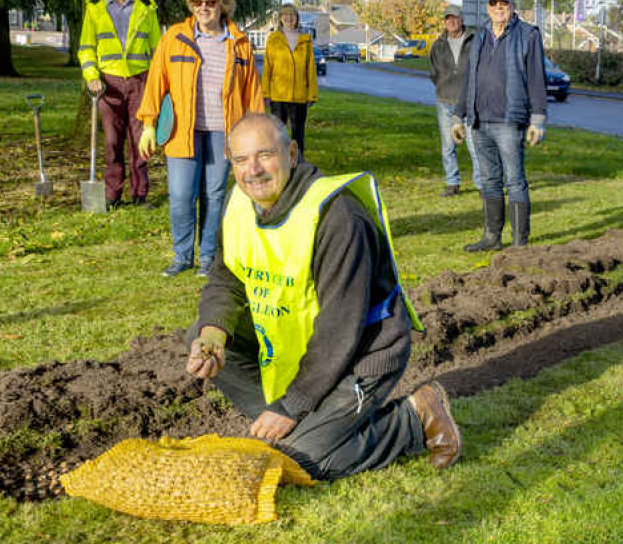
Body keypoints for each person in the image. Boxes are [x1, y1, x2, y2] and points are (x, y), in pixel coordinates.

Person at [184, 113, 461, 480]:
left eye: (265, 155)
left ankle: (414, 418)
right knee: (198, 334)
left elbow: (339, 329)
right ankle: (302, 423)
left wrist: (291, 406)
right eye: (240, 160)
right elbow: (227, 277)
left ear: (292, 153)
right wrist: (213, 335)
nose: (253, 170)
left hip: (361, 354)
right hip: (300, 346)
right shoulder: (239, 204)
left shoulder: (338, 217)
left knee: (304, 460)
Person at [137, 0, 264, 278]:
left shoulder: (240, 43)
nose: (204, 7)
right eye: (198, 2)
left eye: (211, 2)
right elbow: (156, 81)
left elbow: (252, 93)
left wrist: (257, 133)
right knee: (181, 196)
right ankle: (182, 256)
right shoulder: (175, 38)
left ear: (223, 5)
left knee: (214, 195)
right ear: (191, 4)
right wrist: (148, 125)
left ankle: (208, 257)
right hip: (183, 131)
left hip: (224, 132)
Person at [452, 0, 547, 251]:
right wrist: (458, 116)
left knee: (515, 180)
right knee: (489, 180)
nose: (498, 8)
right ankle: (492, 237)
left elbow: (537, 80)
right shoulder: (480, 36)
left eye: (503, 3)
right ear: (487, 8)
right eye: (493, 4)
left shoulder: (528, 35)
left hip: (509, 121)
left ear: (512, 5)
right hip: (479, 121)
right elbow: (470, 78)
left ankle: (519, 244)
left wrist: (537, 120)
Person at [78, 0, 161, 210]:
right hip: (108, 83)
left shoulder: (146, 7)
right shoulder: (94, 7)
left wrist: (158, 81)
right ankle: (112, 196)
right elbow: (86, 48)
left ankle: (140, 195)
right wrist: (92, 77)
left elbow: (157, 49)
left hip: (139, 80)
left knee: (141, 140)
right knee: (113, 142)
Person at [429, 4, 480, 197]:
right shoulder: (438, 44)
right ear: (444, 21)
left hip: (469, 102)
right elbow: (433, 72)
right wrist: (442, 86)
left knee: (474, 146)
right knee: (447, 146)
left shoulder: (474, 41)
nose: (451, 21)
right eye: (447, 18)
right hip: (445, 101)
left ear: (462, 19)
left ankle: (481, 184)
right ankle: (452, 183)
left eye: (455, 18)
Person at [262, 3, 318, 160]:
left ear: (297, 19)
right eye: (285, 15)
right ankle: (278, 162)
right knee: (278, 133)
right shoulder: (273, 39)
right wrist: (265, 93)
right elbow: (267, 68)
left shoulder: (305, 40)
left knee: (298, 132)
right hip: (278, 96)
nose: (289, 18)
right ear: (280, 19)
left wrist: (311, 94)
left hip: (300, 96)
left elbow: (310, 69)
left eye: (292, 15)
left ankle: (298, 162)